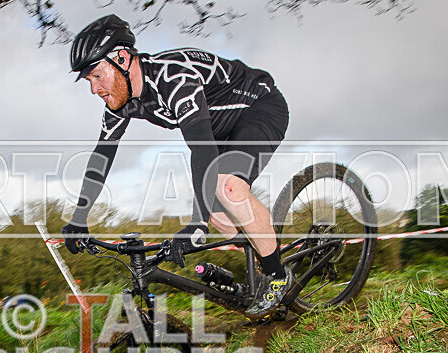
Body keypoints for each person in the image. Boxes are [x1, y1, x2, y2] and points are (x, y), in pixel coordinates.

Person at [61, 14, 292, 318]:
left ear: (122, 58)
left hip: (259, 106)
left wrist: (197, 223)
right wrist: (79, 216)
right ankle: (261, 256)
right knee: (221, 216)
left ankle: (277, 276)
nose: (94, 89)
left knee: (228, 188)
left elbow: (200, 147)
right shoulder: (123, 102)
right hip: (219, 129)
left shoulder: (174, 78)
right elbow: (103, 154)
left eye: (96, 76)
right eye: (89, 81)